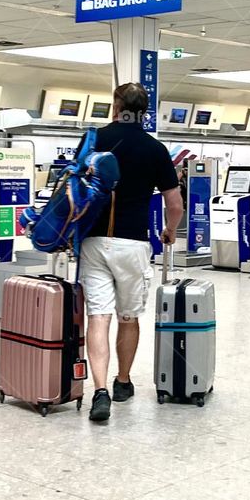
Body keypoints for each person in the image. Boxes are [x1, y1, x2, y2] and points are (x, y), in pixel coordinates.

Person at [79, 83, 183, 423]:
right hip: (133, 245)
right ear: (145, 110)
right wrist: (170, 231)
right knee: (128, 316)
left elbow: (72, 185)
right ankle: (122, 382)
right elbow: (175, 203)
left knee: (98, 316)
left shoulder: (94, 139)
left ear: (116, 105)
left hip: (94, 242)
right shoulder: (155, 148)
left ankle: (99, 391)